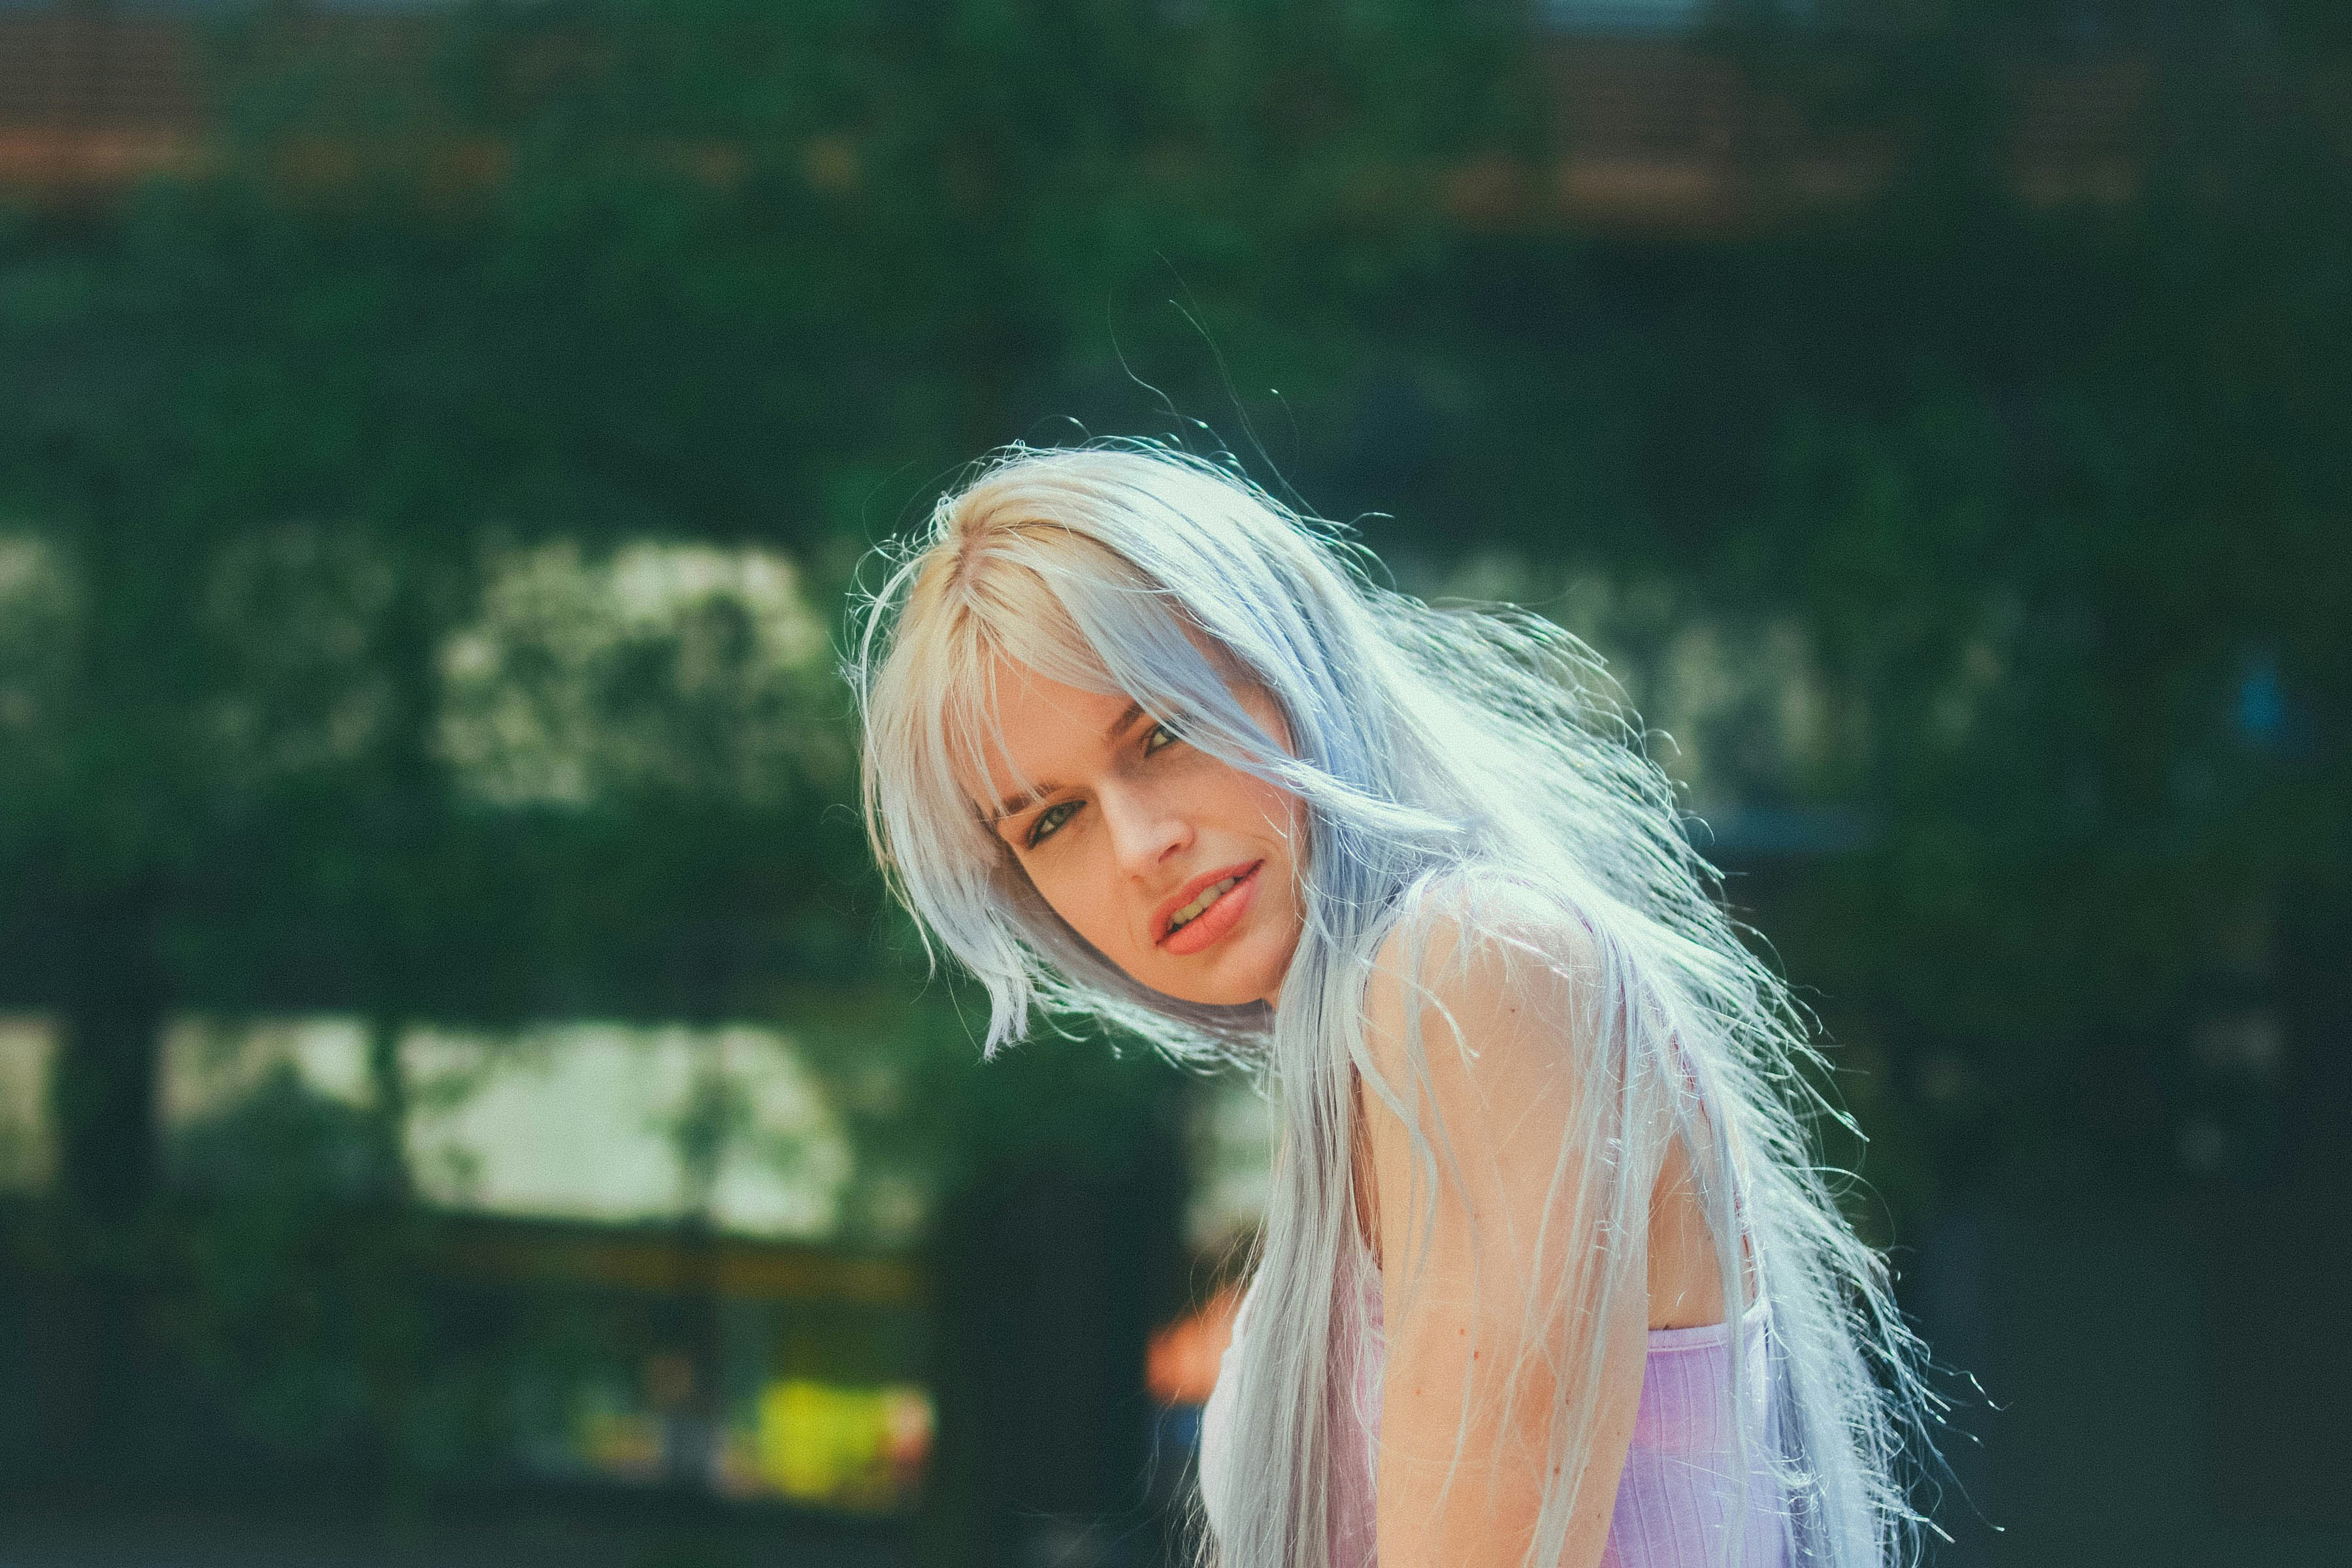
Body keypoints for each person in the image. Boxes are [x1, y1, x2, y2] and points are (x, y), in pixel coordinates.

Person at [848, 443, 1936, 1568]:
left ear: (1292, 661)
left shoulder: (1474, 971)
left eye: (1162, 732)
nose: (1140, 845)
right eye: (1051, 822)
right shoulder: (1375, 1042)